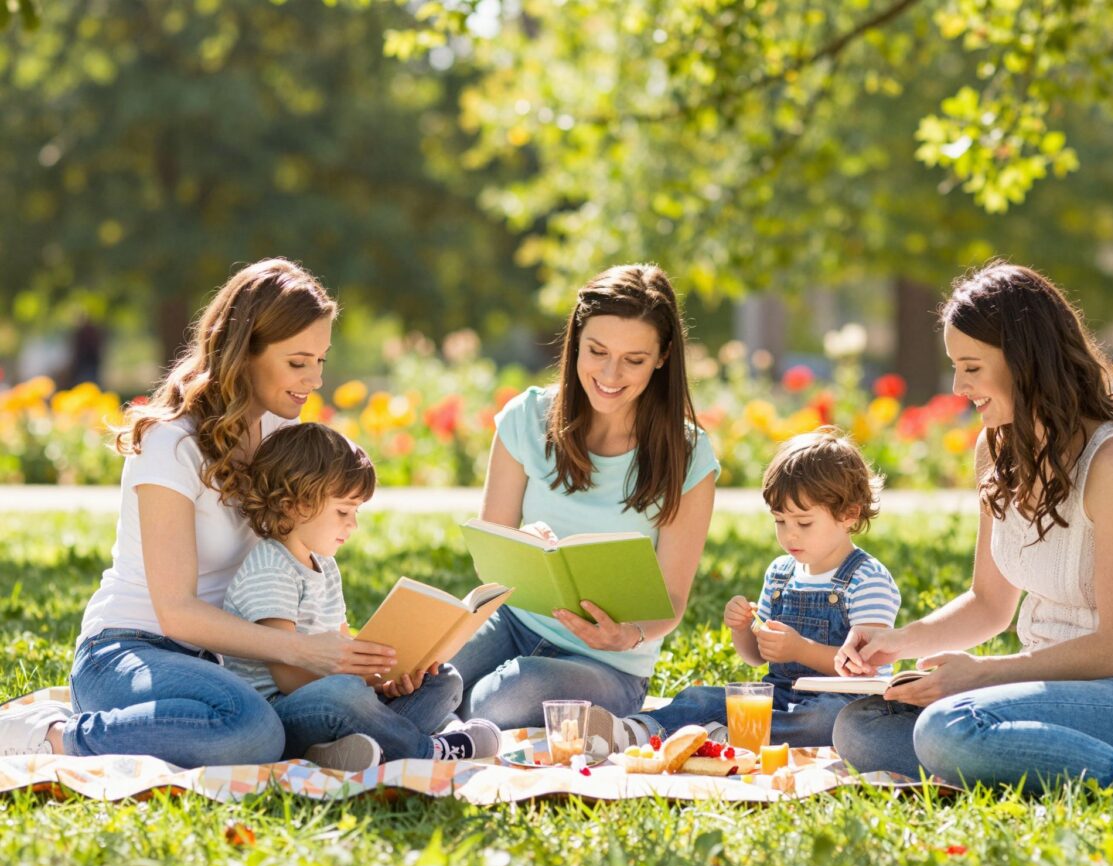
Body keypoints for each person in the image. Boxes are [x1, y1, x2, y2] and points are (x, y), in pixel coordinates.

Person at [0, 258, 398, 765]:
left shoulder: (280, 439)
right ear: (243, 351)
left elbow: (301, 565)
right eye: (298, 362)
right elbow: (177, 612)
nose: (315, 379)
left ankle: (316, 743)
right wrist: (302, 651)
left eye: (320, 360)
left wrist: (364, 659)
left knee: (379, 698)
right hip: (131, 651)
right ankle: (50, 736)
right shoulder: (172, 442)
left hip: (230, 664)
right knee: (248, 730)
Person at [831, 261, 1113, 790]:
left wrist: (980, 676)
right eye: (955, 366)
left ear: (1025, 361)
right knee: (860, 728)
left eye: (972, 367)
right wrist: (894, 641)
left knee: (948, 727)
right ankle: (1001, 755)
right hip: (1036, 685)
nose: (958, 385)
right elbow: (989, 604)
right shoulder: (995, 450)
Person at [450, 264, 720, 733]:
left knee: (503, 697)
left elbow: (672, 601)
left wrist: (627, 635)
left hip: (609, 663)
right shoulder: (526, 418)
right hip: (514, 621)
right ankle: (440, 725)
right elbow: (490, 558)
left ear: (662, 357)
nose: (611, 374)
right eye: (596, 351)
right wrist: (521, 545)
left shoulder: (688, 454)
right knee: (426, 672)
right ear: (576, 340)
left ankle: (442, 728)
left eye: (634, 360)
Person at [588, 427, 902, 751]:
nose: (789, 535)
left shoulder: (867, 579)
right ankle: (637, 730)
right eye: (780, 521)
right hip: (779, 696)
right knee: (702, 697)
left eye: (804, 523)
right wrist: (742, 629)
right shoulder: (781, 574)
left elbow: (869, 666)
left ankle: (729, 737)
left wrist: (800, 650)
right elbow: (755, 657)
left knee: (825, 719)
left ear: (849, 515)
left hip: (845, 701)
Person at [223, 422, 501, 768]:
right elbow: (289, 676)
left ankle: (356, 749)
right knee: (345, 694)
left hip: (340, 699)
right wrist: (361, 684)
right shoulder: (270, 567)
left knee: (442, 681)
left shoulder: (324, 564)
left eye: (356, 512)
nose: (352, 525)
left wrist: (385, 683)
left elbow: (343, 645)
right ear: (294, 504)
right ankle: (428, 750)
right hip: (284, 712)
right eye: (343, 511)